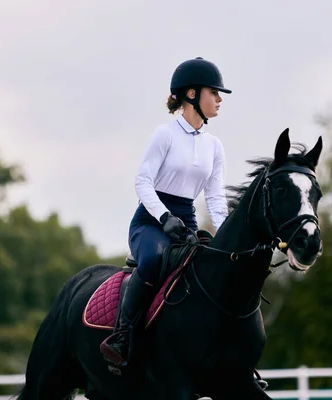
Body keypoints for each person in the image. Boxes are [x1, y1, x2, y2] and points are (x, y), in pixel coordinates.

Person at [99, 57, 232, 367]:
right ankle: (122, 337)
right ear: (191, 95)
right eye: (213, 92)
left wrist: (225, 237)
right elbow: (142, 182)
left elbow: (214, 199)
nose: (219, 99)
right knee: (153, 260)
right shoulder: (165, 134)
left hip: (186, 222)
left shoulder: (215, 146)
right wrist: (163, 217)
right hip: (150, 221)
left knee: (213, 274)